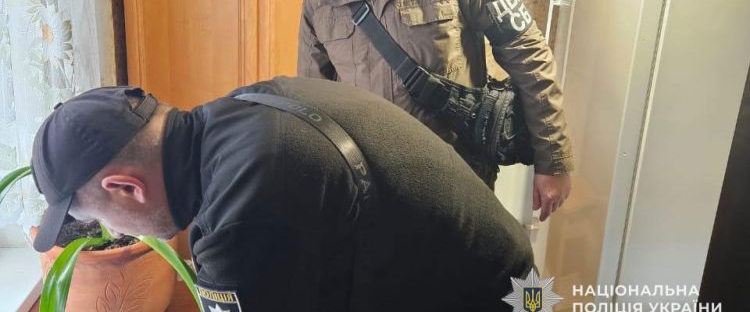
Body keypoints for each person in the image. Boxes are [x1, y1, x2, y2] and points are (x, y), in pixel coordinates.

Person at [31, 79, 533, 311]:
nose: (115, 233)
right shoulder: (243, 110)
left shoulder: (244, 206)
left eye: (105, 219)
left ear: (125, 188)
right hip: (511, 281)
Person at [258, 0, 574, 221]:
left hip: (459, 192)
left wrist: (552, 158)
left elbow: (527, 53)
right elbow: (313, 106)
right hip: (373, 200)